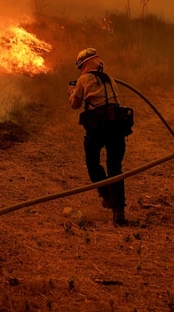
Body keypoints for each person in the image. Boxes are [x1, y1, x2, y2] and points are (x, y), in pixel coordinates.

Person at [68, 47, 132, 225]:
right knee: (115, 168)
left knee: (92, 163)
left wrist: (72, 91)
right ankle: (119, 212)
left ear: (85, 65)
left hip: (99, 127)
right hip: (118, 125)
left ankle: (107, 196)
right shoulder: (110, 78)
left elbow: (75, 104)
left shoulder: (83, 79)